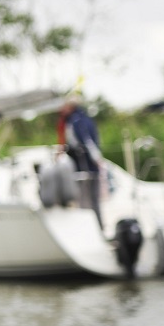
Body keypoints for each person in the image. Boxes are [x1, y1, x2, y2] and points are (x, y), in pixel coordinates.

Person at [58, 96, 106, 228]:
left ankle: (91, 228)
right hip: (89, 167)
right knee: (94, 201)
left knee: (85, 201)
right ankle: (99, 227)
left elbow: (86, 141)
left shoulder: (75, 121)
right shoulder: (85, 118)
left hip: (84, 168)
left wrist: (96, 159)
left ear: (70, 107)